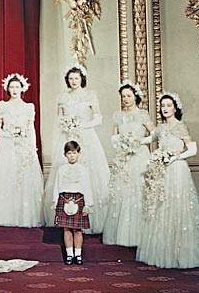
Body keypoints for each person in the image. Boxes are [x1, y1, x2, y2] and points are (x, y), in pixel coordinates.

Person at [136, 93, 199, 269]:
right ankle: (165, 251)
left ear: (175, 108)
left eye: (168, 105)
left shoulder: (180, 127)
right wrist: (130, 140)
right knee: (162, 206)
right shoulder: (161, 127)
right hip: (162, 172)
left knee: (178, 208)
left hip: (177, 170)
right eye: (163, 105)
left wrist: (175, 158)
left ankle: (182, 253)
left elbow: (193, 149)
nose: (165, 108)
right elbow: (149, 139)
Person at [43, 65, 108, 233]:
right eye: (71, 79)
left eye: (76, 78)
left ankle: (89, 215)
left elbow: (98, 118)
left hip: (86, 137)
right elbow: (58, 120)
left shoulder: (90, 95)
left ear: (82, 79)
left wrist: (82, 125)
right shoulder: (62, 97)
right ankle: (66, 216)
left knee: (88, 172)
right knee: (65, 173)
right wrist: (67, 127)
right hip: (68, 137)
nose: (74, 81)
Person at [0, 74, 44, 227]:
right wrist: (10, 134)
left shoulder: (28, 107)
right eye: (11, 87)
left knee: (23, 179)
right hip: (6, 145)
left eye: (17, 87)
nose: (14, 90)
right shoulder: (2, 106)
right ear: (7, 89)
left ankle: (23, 216)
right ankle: (4, 216)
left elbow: (31, 128)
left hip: (24, 146)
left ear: (22, 89)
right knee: (6, 178)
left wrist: (32, 147)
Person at [103, 81, 154, 247]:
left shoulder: (143, 114)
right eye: (123, 96)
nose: (125, 99)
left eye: (129, 96)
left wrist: (138, 142)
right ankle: (123, 235)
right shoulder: (118, 116)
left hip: (140, 156)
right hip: (124, 157)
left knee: (140, 191)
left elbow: (154, 134)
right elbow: (113, 137)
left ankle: (143, 234)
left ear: (135, 97)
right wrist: (123, 144)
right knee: (122, 192)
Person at [52, 141, 93, 265]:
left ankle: (78, 255)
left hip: (79, 199)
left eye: (74, 153)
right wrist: (55, 202)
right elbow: (57, 186)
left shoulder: (83, 169)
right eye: (69, 153)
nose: (72, 156)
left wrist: (88, 204)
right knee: (67, 229)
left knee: (78, 230)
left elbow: (87, 187)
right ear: (65, 154)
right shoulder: (61, 169)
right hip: (64, 199)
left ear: (79, 153)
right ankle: (69, 254)